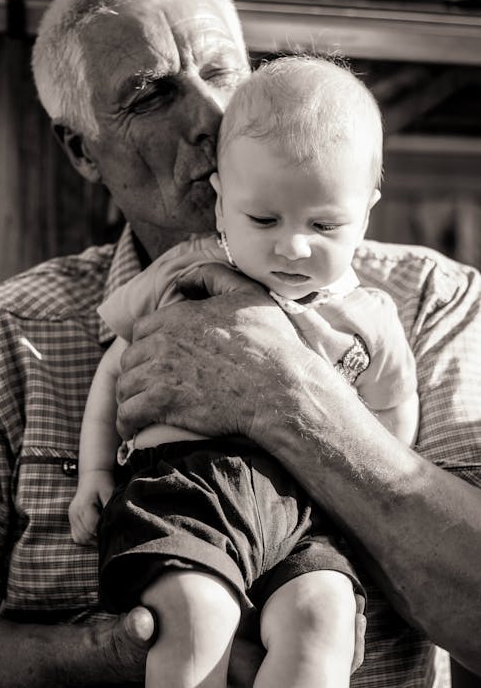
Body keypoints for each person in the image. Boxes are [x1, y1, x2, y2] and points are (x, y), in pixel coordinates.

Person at [0, 0, 480, 688]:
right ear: (81, 150)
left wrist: (289, 396)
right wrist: (112, 653)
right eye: (153, 94)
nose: (212, 119)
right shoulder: (14, 332)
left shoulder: (428, 300)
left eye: (224, 73)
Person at [69, 55, 419, 688]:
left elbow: (394, 414)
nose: (293, 246)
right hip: (187, 488)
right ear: (223, 199)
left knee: (324, 619)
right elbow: (117, 366)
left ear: (368, 205)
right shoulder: (184, 274)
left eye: (325, 224)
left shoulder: (369, 317)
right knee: (196, 616)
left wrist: (366, 510)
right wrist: (94, 469)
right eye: (264, 220)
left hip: (308, 506)